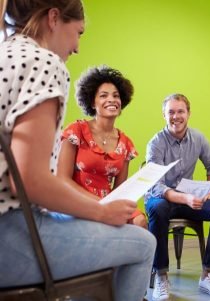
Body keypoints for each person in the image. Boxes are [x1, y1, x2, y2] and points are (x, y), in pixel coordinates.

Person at [0, 1, 156, 301]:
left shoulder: (6, 54)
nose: (77, 47)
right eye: (79, 33)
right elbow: (29, 180)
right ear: (54, 18)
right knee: (144, 245)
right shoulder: (43, 62)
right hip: (12, 232)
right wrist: (100, 211)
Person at [145, 93, 210, 301]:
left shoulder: (199, 138)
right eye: (171, 112)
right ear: (164, 115)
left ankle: (208, 274)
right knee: (157, 209)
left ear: (188, 113)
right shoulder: (156, 143)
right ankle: (161, 275)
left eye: (180, 111)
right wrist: (185, 199)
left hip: (188, 198)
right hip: (162, 198)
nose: (176, 116)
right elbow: (155, 185)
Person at [57, 65, 147, 228]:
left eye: (116, 96)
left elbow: (120, 189)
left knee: (140, 221)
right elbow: (62, 179)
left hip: (110, 201)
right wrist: (102, 204)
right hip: (77, 199)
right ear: (92, 102)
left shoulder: (126, 144)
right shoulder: (75, 132)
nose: (111, 100)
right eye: (103, 95)